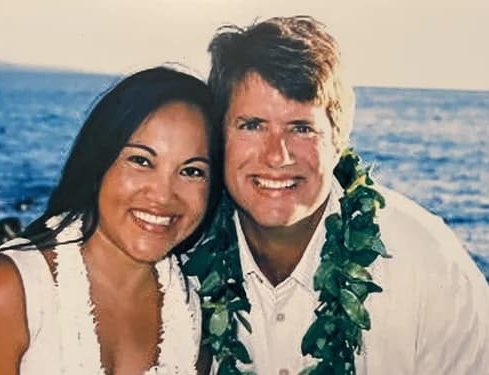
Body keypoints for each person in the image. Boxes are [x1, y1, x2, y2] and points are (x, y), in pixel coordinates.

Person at [183, 16, 489, 374]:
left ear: (338, 139)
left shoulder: (428, 262)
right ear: (219, 135)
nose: (276, 155)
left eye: (301, 128)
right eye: (252, 125)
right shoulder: (183, 258)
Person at [0, 66, 220, 375]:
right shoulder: (7, 292)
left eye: (192, 171)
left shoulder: (191, 312)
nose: (163, 196)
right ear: (99, 163)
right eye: (141, 160)